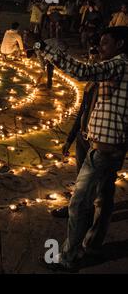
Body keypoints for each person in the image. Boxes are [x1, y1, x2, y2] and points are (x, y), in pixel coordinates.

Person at [36, 26, 128, 271]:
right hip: (111, 147)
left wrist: (46, 49)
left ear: (120, 44)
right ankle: (92, 245)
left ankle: (69, 257)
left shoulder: (119, 64)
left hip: (103, 151)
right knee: (103, 197)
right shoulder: (119, 69)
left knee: (79, 203)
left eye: (106, 42)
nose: (100, 47)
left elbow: (82, 71)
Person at [51, 81, 99, 218]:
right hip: (82, 138)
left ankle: (87, 213)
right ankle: (77, 209)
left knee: (93, 181)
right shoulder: (91, 85)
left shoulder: (113, 87)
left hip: (97, 143)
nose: (93, 58)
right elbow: (82, 112)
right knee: (81, 179)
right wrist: (69, 139)